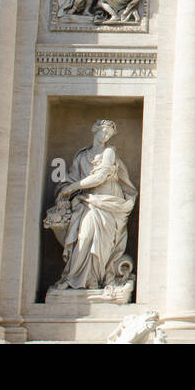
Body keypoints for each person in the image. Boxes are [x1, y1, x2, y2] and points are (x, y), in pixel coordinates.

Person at [52, 119, 137, 290]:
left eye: (109, 134)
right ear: (95, 129)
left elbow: (99, 177)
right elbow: (71, 178)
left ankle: (95, 279)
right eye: (104, 131)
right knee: (83, 237)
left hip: (108, 204)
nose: (105, 136)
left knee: (99, 242)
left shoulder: (109, 153)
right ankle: (75, 278)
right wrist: (64, 189)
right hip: (87, 202)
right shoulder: (82, 156)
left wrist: (72, 188)